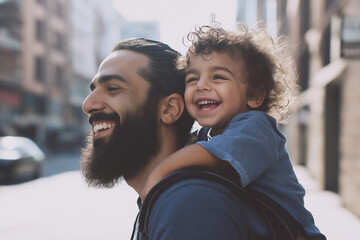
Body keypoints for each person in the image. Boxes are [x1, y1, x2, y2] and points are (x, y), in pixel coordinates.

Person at [143, 24, 326, 239]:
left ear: (255, 95)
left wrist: (158, 174)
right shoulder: (206, 135)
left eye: (218, 77)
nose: (201, 85)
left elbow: (210, 156)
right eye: (192, 79)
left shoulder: (256, 127)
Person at [81, 38, 253, 239]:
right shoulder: (169, 198)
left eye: (113, 88)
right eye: (93, 90)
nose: (88, 104)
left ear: (169, 109)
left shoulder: (189, 206)